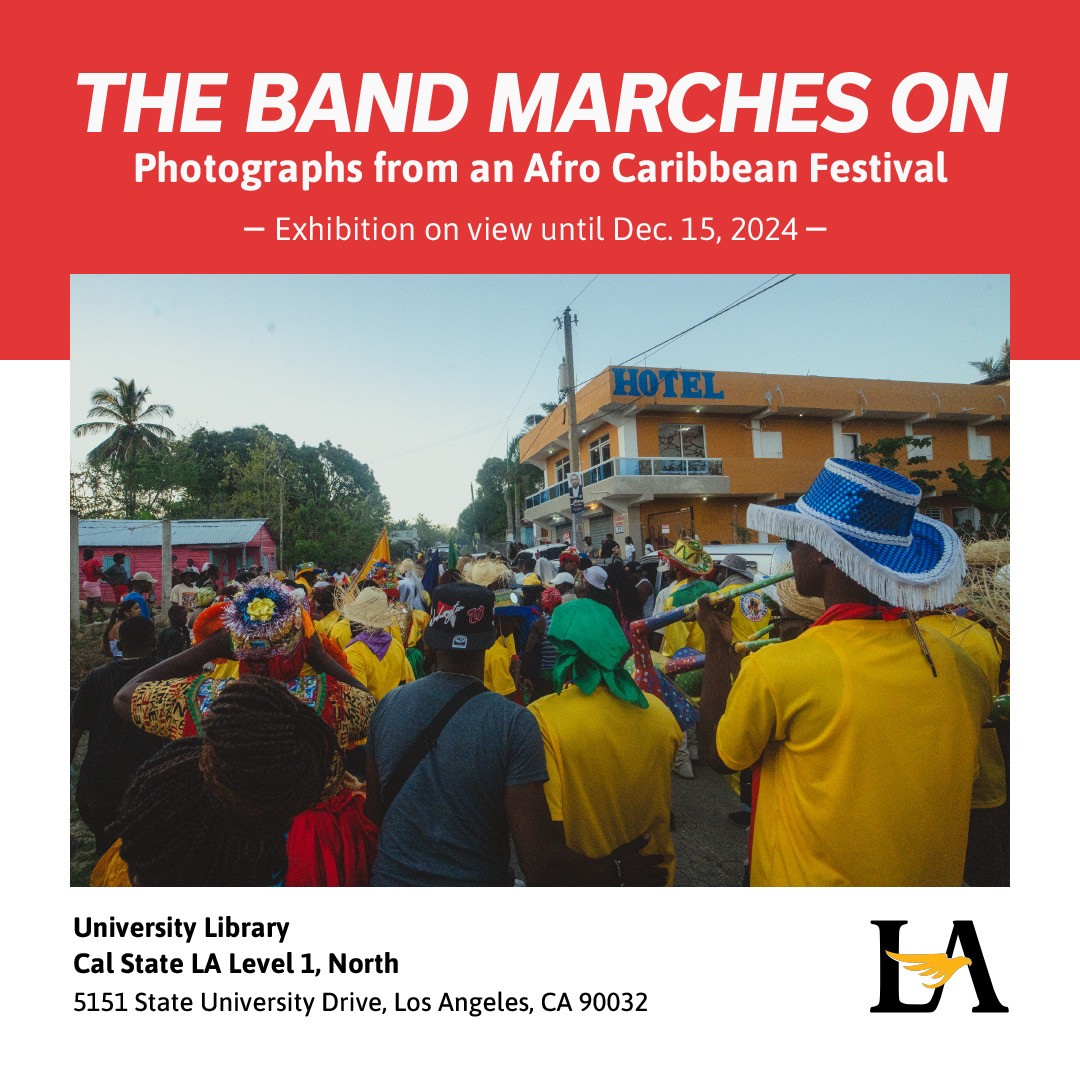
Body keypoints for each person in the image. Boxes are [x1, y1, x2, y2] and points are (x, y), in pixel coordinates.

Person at [697, 457, 989, 887]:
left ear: (824, 554)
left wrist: (716, 647)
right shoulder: (959, 662)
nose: (790, 551)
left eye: (794, 542)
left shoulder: (780, 668)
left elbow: (719, 757)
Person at [364, 582, 664, 886]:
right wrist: (619, 871)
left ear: (429, 640)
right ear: (492, 637)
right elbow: (540, 865)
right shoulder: (512, 723)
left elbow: (373, 815)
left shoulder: (388, 705)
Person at [96, 677, 377, 887]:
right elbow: (375, 710)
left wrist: (207, 647)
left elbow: (126, 697)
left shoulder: (170, 820)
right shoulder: (274, 855)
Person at [527, 599, 682, 884]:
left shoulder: (541, 718)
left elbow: (547, 831)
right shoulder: (659, 712)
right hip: (655, 875)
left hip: (585, 877)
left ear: (563, 649)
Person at [72, 616, 168, 855]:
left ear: (120, 644)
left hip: (100, 780)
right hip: (149, 778)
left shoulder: (96, 677)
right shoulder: (167, 675)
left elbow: (74, 731)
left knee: (106, 848)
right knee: (147, 851)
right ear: (153, 643)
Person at [340, 587, 415, 703]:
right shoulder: (395, 644)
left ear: (356, 621)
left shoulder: (354, 652)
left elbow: (358, 700)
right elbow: (403, 682)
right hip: (392, 711)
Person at [80, 548, 109, 621]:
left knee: (90, 604)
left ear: (86, 556)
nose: (83, 557)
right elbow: (98, 571)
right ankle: (107, 618)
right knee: (98, 603)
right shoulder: (95, 561)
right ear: (92, 555)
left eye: (83, 555)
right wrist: (106, 577)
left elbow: (89, 573)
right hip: (93, 584)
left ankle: (90, 621)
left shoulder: (84, 565)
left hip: (87, 584)